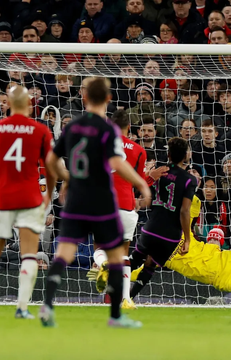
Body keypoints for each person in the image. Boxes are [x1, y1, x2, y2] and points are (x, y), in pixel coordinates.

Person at [40, 77, 150, 328]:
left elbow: (51, 159)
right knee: (115, 255)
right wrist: (141, 184)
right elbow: (116, 163)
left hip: (77, 198)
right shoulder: (107, 129)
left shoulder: (73, 126)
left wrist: (68, 177)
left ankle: (47, 305)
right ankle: (115, 317)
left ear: (84, 97)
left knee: (64, 253)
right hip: (101, 199)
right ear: (108, 99)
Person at [0, 86, 55, 319]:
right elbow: (51, 168)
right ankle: (22, 308)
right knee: (29, 255)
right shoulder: (40, 130)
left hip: (2, 199)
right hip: (29, 199)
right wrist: (48, 195)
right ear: (30, 103)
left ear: (7, 103)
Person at [91, 109, 149, 310]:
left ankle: (102, 263)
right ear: (130, 127)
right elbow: (139, 181)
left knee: (99, 247)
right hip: (126, 204)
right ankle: (126, 299)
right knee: (124, 252)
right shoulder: (139, 150)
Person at [125, 137, 197, 299]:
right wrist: (187, 238)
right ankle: (129, 298)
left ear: (169, 154)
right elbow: (185, 211)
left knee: (135, 259)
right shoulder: (190, 180)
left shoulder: (159, 171)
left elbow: (142, 190)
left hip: (152, 227)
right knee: (150, 266)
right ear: (186, 156)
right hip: (170, 235)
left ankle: (113, 286)